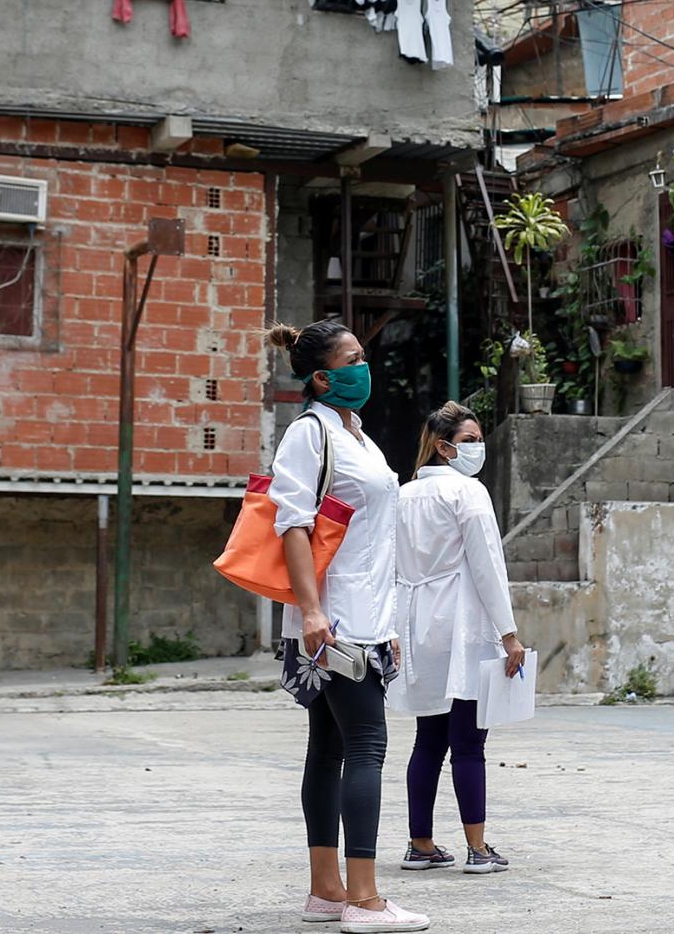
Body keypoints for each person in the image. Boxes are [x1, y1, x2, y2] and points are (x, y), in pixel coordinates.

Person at [267, 319, 427, 933]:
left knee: (331, 745)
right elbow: (293, 525)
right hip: (333, 621)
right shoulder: (308, 434)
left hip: (365, 614)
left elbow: (372, 535)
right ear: (322, 376)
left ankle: (326, 891)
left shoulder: (354, 434)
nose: (366, 366)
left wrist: (386, 619)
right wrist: (311, 611)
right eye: (354, 358)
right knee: (367, 744)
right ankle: (364, 899)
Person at [393, 402, 527, 877]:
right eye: (469, 439)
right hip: (463, 625)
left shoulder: (403, 495)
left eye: (478, 437)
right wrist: (509, 635)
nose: (477, 446)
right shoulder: (468, 493)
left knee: (428, 739)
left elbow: (391, 568)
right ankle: (477, 849)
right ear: (444, 447)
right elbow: (489, 568)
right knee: (469, 742)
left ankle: (420, 845)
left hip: (417, 626)